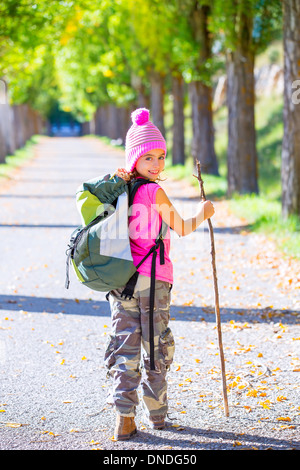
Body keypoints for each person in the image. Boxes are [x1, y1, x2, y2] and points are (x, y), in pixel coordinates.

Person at [104, 108, 215, 441]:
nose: (156, 164)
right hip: (154, 283)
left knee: (125, 346)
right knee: (155, 346)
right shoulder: (154, 192)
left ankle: (124, 417)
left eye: (161, 157)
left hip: (120, 282)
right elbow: (180, 227)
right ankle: (157, 414)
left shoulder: (118, 192)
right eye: (148, 157)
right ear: (134, 158)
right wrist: (203, 212)